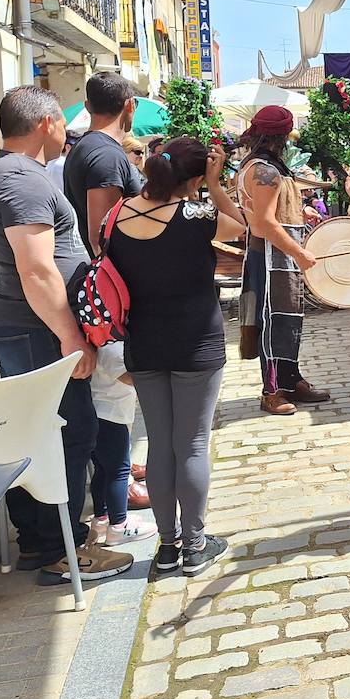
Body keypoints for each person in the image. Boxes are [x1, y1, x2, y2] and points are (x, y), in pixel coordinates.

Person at [0, 85, 132, 584]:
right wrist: (69, 336)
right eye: (62, 122)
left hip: (31, 327)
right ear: (45, 123)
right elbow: (37, 270)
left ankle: (46, 542)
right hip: (37, 330)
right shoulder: (19, 180)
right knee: (67, 434)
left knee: (48, 434)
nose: (68, 129)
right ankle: (59, 550)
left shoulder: (19, 175)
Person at [107, 136, 248, 575]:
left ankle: (166, 548)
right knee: (192, 445)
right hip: (196, 343)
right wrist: (215, 181)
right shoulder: (197, 215)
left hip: (143, 343)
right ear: (192, 177)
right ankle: (194, 545)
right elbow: (239, 225)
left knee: (161, 447)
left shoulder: (116, 215)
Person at [237, 105, 330, 416]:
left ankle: (291, 380)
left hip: (275, 256)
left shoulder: (263, 166)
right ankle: (272, 390)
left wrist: (298, 212)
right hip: (270, 257)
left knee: (288, 322)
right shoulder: (265, 171)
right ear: (282, 136)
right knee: (274, 324)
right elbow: (263, 223)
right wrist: (300, 253)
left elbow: (267, 212)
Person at [64, 71, 143, 254]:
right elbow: (101, 237)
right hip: (114, 275)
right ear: (130, 105)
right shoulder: (107, 156)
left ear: (87, 106)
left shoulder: (85, 147)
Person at [88, 341, 155, 546]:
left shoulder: (100, 344)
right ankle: (119, 525)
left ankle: (103, 517)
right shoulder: (110, 348)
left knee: (101, 470)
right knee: (118, 470)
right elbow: (132, 378)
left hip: (101, 414)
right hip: (111, 416)